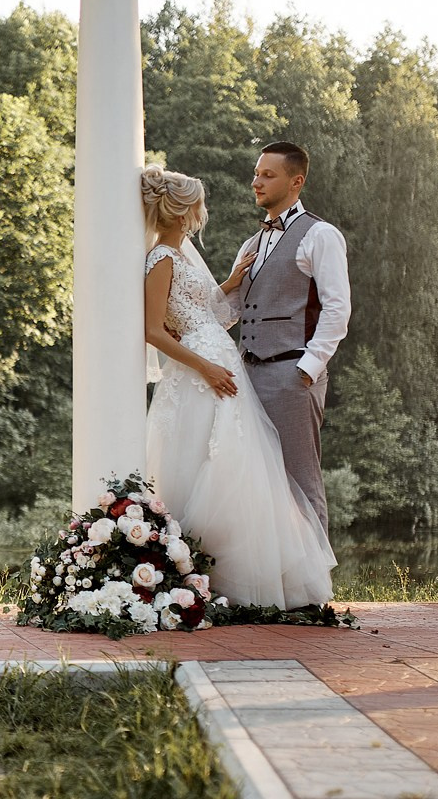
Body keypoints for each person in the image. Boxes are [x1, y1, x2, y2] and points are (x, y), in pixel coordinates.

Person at [139, 164, 334, 609]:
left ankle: (248, 584)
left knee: (239, 467)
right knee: (201, 465)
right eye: (198, 204)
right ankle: (208, 581)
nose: (202, 211)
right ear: (183, 209)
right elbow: (153, 330)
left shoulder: (180, 256)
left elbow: (209, 314)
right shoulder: (160, 259)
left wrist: (230, 283)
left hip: (221, 367)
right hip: (200, 373)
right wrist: (205, 367)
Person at [216, 141, 352, 531]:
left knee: (300, 478)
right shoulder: (251, 244)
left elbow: (337, 308)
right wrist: (222, 289)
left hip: (292, 372)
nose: (256, 182)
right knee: (253, 479)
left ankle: (313, 587)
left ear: (296, 181)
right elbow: (233, 313)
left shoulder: (320, 235)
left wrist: (307, 369)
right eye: (257, 173)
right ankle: (271, 582)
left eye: (267, 175)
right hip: (247, 376)